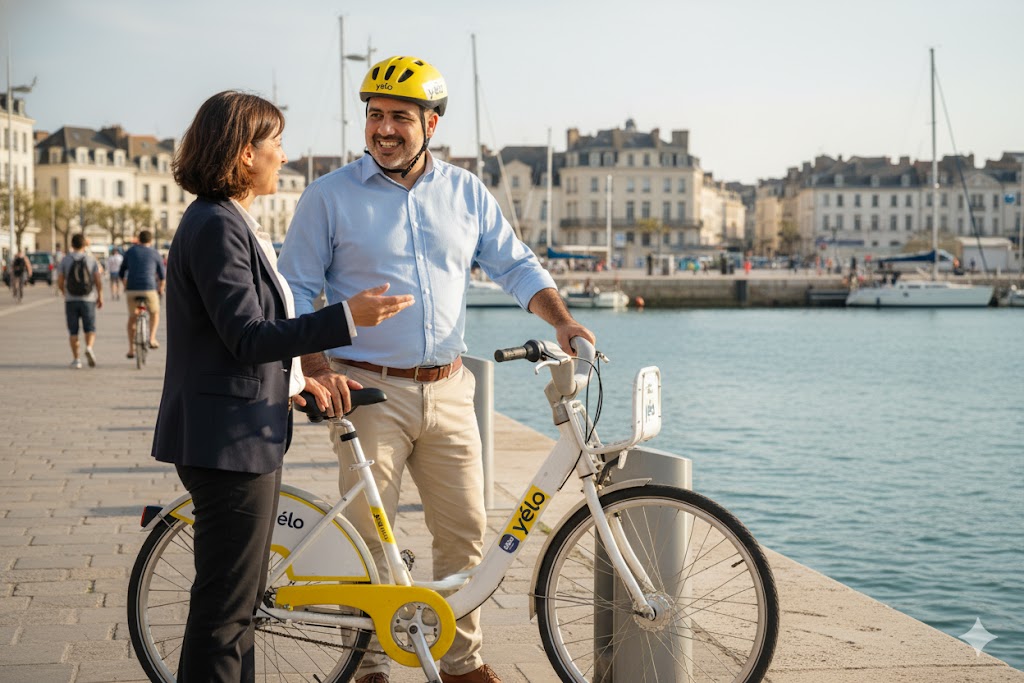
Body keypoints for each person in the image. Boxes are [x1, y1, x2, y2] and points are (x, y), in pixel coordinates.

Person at [279, 55, 594, 683]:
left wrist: (561, 320)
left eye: (400, 116)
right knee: (371, 537)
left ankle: (461, 663)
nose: (384, 129)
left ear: (432, 123)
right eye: (375, 115)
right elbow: (296, 291)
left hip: (449, 389)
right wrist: (315, 367)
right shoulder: (329, 195)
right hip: (366, 387)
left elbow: (514, 264)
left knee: (466, 532)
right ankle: (368, 666)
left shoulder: (465, 191)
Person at [151, 90, 413, 683]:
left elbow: (232, 339)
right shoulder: (216, 225)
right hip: (228, 443)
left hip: (237, 433)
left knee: (237, 608)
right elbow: (246, 334)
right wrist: (346, 318)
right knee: (225, 613)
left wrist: (295, 381)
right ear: (245, 153)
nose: (284, 156)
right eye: (276, 144)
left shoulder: (226, 221)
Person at [57, 234, 103, 369]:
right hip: (88, 299)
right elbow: (97, 280)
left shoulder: (65, 260)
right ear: (85, 245)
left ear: (72, 244)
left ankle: (76, 359)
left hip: (71, 299)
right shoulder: (91, 259)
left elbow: (60, 279)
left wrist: (64, 292)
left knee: (73, 331)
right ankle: (89, 347)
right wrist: (100, 296)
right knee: (90, 328)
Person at [119, 230, 166, 358]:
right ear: (150, 241)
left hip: (132, 289)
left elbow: (121, 272)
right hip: (149, 288)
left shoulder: (130, 252)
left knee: (132, 317)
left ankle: (131, 349)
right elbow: (162, 276)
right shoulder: (155, 253)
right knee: (155, 313)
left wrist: (125, 285)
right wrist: (161, 289)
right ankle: (152, 338)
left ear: (139, 239)